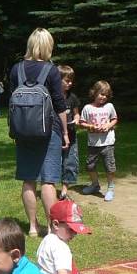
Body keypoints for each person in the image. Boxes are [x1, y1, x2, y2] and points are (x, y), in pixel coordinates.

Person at [9, 28, 69, 236]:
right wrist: (65, 132)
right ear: (48, 46)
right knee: (48, 180)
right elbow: (59, 104)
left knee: (28, 178)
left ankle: (33, 227)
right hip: (48, 129)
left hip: (23, 130)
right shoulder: (51, 70)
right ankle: (53, 230)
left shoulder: (17, 69)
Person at [80, 81, 118, 202]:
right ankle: (95, 185)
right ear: (94, 93)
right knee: (90, 166)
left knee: (109, 167)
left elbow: (114, 119)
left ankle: (111, 188)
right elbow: (81, 123)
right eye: (101, 94)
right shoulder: (87, 108)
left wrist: (108, 125)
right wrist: (90, 127)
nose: (103, 97)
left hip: (108, 143)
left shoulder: (109, 106)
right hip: (93, 143)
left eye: (106, 95)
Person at [58, 65, 81, 200]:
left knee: (69, 161)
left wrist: (76, 119)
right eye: (67, 80)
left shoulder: (72, 98)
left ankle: (65, 188)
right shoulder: (53, 96)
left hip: (71, 135)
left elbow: (76, 114)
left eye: (71, 80)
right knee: (57, 161)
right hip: (56, 135)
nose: (70, 83)